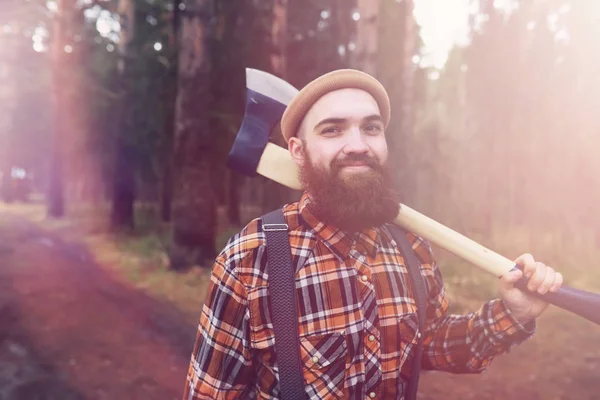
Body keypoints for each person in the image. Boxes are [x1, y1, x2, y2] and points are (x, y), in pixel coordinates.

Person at [182, 69, 563, 399]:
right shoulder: (251, 258)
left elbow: (430, 345)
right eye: (332, 130)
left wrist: (511, 315)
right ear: (297, 152)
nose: (358, 145)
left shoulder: (411, 246)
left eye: (371, 128)